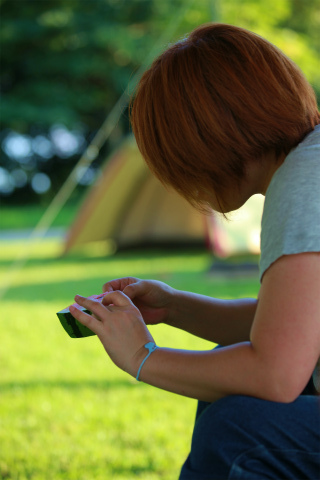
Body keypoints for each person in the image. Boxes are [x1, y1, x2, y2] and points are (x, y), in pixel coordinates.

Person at [69, 23, 320, 479]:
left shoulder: (304, 182)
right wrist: (176, 307)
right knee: (227, 388)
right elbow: (295, 332)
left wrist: (142, 357)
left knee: (236, 429)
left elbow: (276, 375)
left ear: (205, 141)